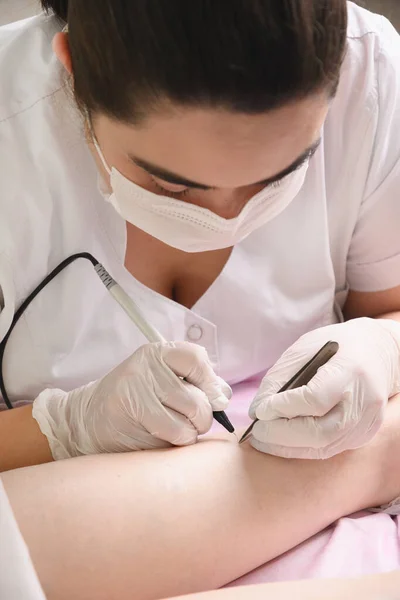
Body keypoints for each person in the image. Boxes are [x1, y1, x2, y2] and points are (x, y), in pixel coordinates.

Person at [0, 0, 400, 596]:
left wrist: (382, 343)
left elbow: (390, 306)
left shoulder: (370, 69)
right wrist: (65, 426)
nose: (228, 218)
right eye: (172, 183)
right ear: (75, 69)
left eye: (282, 172)